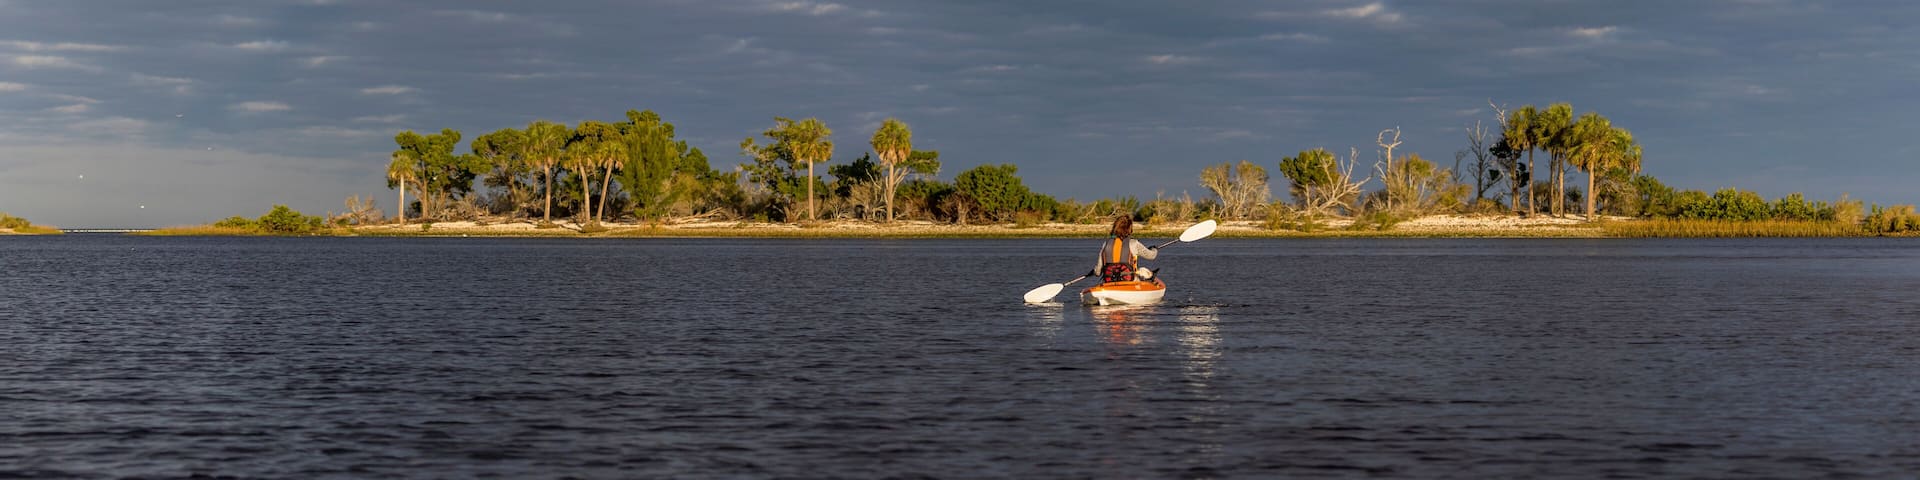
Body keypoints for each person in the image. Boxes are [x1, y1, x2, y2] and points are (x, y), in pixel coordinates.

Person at [1093, 216, 1158, 284]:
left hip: (1109, 281)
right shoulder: (1134, 243)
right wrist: (1154, 249)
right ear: (1129, 228)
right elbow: (1152, 256)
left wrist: (1095, 271)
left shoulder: (1106, 244)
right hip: (1129, 281)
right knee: (1143, 270)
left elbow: (1098, 273)